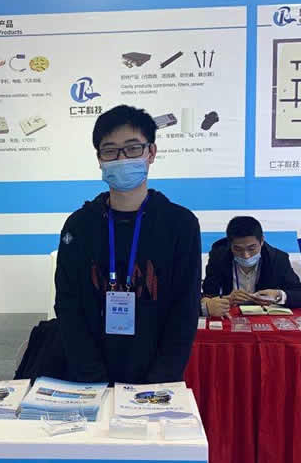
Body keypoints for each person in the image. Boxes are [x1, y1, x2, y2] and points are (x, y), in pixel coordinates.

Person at [53, 104, 201, 384]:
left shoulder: (180, 224)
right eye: (110, 151)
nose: (121, 159)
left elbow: (185, 309)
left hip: (155, 379)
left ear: (151, 152)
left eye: (133, 148)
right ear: (99, 159)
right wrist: (92, 376)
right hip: (89, 377)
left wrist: (159, 380)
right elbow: (68, 304)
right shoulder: (79, 225)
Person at [202, 215, 301, 317]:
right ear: (230, 245)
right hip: (231, 315)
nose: (246, 255)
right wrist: (226, 299)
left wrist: (277, 295)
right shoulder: (218, 257)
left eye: (252, 248)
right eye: (238, 249)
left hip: (264, 317)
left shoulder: (277, 259)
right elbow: (208, 294)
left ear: (262, 241)